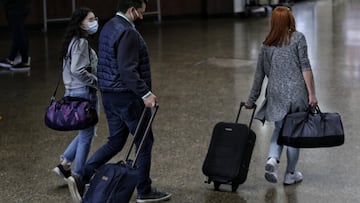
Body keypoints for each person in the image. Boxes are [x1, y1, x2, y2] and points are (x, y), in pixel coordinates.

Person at [67, 0, 171, 202]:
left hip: (108, 94)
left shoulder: (109, 26)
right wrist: (145, 94)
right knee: (144, 141)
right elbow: (127, 70)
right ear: (131, 10)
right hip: (127, 97)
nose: (142, 17)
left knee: (116, 140)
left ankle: (81, 176)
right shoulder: (128, 32)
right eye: (140, 12)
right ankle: (144, 190)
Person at [245, 7, 318, 185]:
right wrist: (312, 94)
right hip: (297, 92)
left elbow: (259, 76)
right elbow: (305, 67)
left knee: (279, 130)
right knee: (293, 133)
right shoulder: (298, 38)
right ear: (290, 20)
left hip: (276, 93)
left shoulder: (266, 45)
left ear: (273, 22)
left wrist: (251, 100)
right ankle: (290, 174)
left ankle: (272, 159)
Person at [52, 7, 99, 182]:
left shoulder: (72, 41)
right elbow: (77, 70)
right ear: (81, 24)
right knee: (87, 134)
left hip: (73, 91)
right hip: (84, 93)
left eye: (95, 18)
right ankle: (79, 175)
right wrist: (96, 81)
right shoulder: (81, 43)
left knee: (86, 131)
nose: (94, 22)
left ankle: (65, 163)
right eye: (91, 20)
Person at [0, 0, 31, 71]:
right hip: (18, 5)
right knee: (19, 31)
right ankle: (14, 58)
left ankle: (23, 61)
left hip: (15, 5)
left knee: (17, 33)